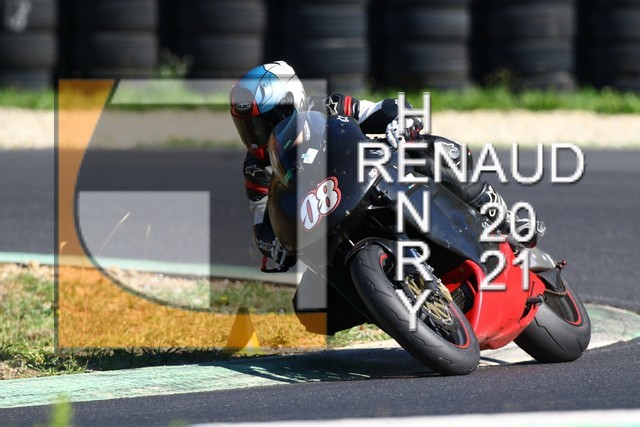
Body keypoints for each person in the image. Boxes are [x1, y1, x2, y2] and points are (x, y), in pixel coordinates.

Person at [230, 61, 545, 334]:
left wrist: (399, 121)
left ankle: (500, 216)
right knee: (309, 308)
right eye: (250, 128)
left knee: (430, 149)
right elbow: (262, 218)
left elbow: (377, 109)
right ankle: (392, 308)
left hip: (378, 180)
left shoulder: (326, 107)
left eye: (269, 120)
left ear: (294, 101)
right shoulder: (256, 167)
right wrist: (273, 244)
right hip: (331, 228)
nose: (260, 135)